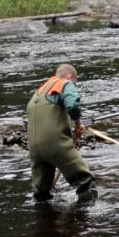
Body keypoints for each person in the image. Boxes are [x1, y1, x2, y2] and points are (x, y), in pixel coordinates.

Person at [27, 64, 97, 202]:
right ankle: (86, 220)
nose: (74, 85)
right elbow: (73, 105)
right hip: (55, 144)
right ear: (70, 76)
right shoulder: (64, 84)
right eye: (74, 82)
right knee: (85, 181)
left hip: (34, 149)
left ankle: (44, 221)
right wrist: (78, 124)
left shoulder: (39, 91)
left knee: (41, 193)